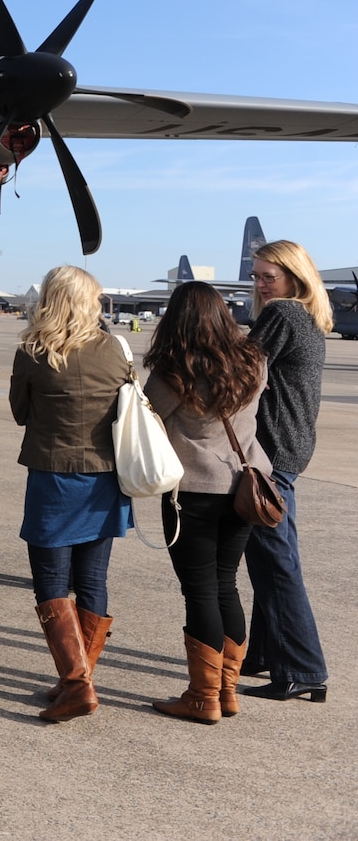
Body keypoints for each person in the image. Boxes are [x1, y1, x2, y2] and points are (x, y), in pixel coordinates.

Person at [144, 281, 271, 723]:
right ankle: (227, 691)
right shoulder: (254, 361)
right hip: (242, 488)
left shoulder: (174, 367)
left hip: (192, 491)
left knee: (199, 591)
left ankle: (202, 697)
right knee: (226, 584)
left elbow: (147, 416)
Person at [10, 265, 133, 723]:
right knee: (93, 580)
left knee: (51, 582)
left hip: (53, 477)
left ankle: (77, 683)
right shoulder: (116, 349)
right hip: (104, 478)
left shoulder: (33, 351)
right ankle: (76, 679)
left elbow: (20, 412)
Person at [241, 239, 333, 703]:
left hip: (271, 454)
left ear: (294, 278)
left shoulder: (283, 314)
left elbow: (238, 372)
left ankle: (303, 669)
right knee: (270, 557)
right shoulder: (307, 316)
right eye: (255, 276)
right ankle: (263, 653)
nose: (258, 285)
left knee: (276, 562)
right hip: (291, 449)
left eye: (266, 276)